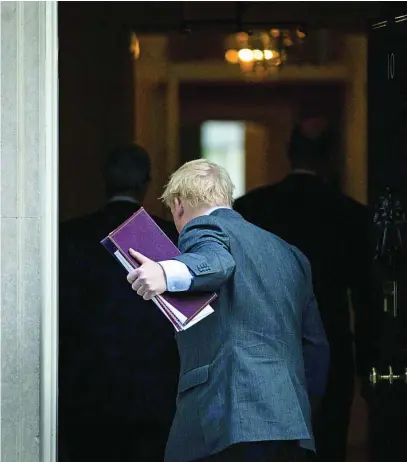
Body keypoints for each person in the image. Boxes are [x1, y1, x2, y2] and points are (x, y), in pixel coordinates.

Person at [126, 159, 330, 462]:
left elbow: (218, 262)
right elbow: (316, 349)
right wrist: (295, 408)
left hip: (228, 421)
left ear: (179, 205)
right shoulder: (291, 254)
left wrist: (165, 272)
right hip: (290, 424)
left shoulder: (205, 228)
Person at [234, 118, 376, 462]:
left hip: (262, 352)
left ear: (289, 153)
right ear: (331, 157)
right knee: (326, 446)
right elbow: (367, 298)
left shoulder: (251, 210)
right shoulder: (351, 216)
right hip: (332, 354)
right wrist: (369, 367)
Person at [59, 144, 179, 462]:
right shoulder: (166, 238)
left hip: (86, 395)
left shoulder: (68, 236)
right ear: (147, 183)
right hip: (153, 395)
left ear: (105, 180)